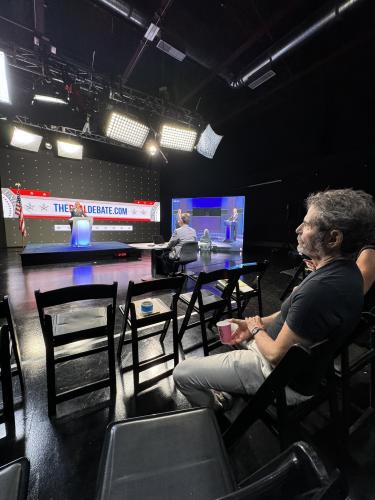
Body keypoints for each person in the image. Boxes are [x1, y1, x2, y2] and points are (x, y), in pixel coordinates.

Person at [173, 189, 375, 410]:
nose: (297, 229)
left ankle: (218, 406)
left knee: (182, 373)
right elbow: (289, 315)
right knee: (234, 333)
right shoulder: (352, 274)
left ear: (333, 238)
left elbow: (275, 355)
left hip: (276, 374)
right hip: (302, 370)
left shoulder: (319, 290)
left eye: (307, 225)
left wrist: (256, 328)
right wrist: (255, 323)